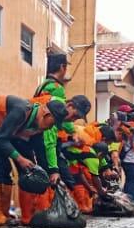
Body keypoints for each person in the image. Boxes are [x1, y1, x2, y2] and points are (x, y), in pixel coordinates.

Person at [0, 95, 68, 226]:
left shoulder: (37, 126)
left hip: (0, 133)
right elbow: (1, 139)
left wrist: (52, 173)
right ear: (46, 113)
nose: (51, 127)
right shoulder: (21, 111)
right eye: (53, 122)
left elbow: (40, 152)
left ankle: (3, 213)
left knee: (6, 170)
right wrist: (20, 159)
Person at [34, 53, 92, 212]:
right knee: (51, 175)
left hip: (41, 139)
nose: (73, 120)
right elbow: (51, 133)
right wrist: (53, 167)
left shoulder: (43, 85)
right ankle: (48, 211)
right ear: (62, 67)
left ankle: (45, 211)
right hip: (47, 142)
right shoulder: (57, 90)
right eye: (76, 116)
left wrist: (71, 133)